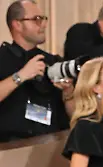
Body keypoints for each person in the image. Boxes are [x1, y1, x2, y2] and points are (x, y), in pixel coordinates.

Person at [0, 0, 74, 143]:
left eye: (44, 19)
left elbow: (75, 116)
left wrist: (68, 92)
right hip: (10, 147)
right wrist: (21, 76)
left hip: (53, 144)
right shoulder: (2, 58)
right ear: (17, 24)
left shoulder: (53, 62)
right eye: (37, 19)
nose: (44, 25)